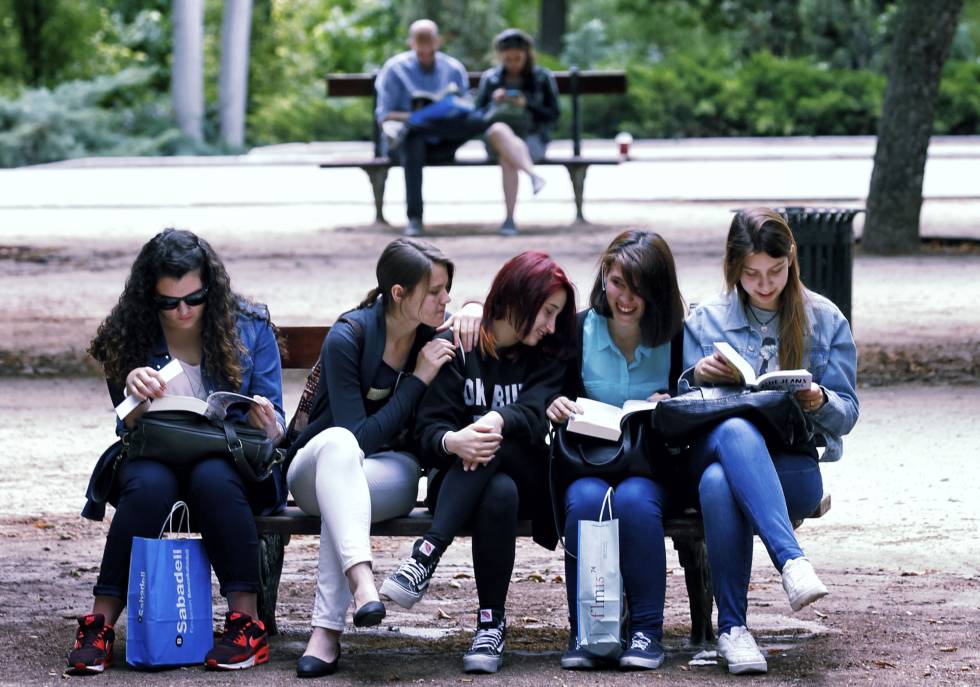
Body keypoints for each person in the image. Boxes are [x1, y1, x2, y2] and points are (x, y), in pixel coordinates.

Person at [70, 228, 286, 674]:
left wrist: (269, 425)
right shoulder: (129, 333)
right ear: (151, 298)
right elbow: (127, 426)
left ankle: (246, 623)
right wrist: (131, 389)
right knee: (148, 486)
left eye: (194, 298)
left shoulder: (249, 325)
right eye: (169, 302)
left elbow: (275, 427)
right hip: (155, 455)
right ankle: (99, 624)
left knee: (213, 478)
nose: (183, 311)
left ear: (211, 288)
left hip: (227, 459)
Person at [285, 238, 482, 678]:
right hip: (313, 471)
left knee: (345, 495)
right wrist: (417, 379)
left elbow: (486, 321)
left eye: (449, 289)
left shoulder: (434, 338)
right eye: (435, 291)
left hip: (387, 478)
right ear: (398, 293)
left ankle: (326, 633)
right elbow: (359, 437)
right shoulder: (349, 337)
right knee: (340, 446)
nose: (444, 299)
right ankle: (363, 583)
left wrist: (472, 306)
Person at [681, 207, 859, 675]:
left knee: (721, 485)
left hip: (790, 467)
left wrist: (818, 399)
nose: (765, 285)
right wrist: (696, 375)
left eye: (776, 272)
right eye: (752, 274)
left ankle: (732, 630)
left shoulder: (824, 318)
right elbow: (681, 410)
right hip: (715, 446)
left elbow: (849, 414)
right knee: (735, 432)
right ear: (734, 269)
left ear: (791, 260)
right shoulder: (707, 319)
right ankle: (791, 563)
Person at [380, 251, 576, 675]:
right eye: (546, 312)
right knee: (496, 490)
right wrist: (455, 441)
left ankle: (426, 554)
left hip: (531, 480)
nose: (551, 326)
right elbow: (427, 433)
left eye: (557, 315)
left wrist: (491, 421)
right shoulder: (457, 346)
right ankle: (490, 625)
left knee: (498, 448)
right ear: (520, 299)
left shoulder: (548, 353)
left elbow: (534, 410)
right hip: (467, 486)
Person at [545, 230, 687, 671]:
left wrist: (675, 404)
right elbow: (547, 392)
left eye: (640, 289)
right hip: (588, 460)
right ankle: (589, 630)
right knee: (586, 500)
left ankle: (646, 630)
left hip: (652, 466)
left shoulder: (675, 336)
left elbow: (698, 399)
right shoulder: (579, 329)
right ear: (604, 276)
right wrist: (555, 403)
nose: (626, 298)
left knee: (635, 502)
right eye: (618, 283)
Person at [376, 19, 481, 237]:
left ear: (438, 41)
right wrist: (416, 116)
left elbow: (464, 109)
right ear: (410, 43)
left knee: (478, 119)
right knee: (413, 138)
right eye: (419, 41)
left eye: (429, 40)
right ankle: (415, 218)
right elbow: (385, 115)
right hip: (405, 145)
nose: (425, 46)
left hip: (444, 139)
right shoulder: (395, 70)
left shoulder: (453, 68)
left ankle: (417, 127)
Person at [474, 28, 559, 236]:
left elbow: (553, 115)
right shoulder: (490, 79)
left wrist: (527, 103)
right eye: (508, 59)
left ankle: (510, 220)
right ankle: (532, 175)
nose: (513, 63)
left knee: (508, 157)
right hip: (496, 139)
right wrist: (494, 102)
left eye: (517, 58)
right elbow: (476, 117)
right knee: (498, 129)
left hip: (532, 138)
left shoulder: (542, 77)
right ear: (500, 57)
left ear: (527, 55)